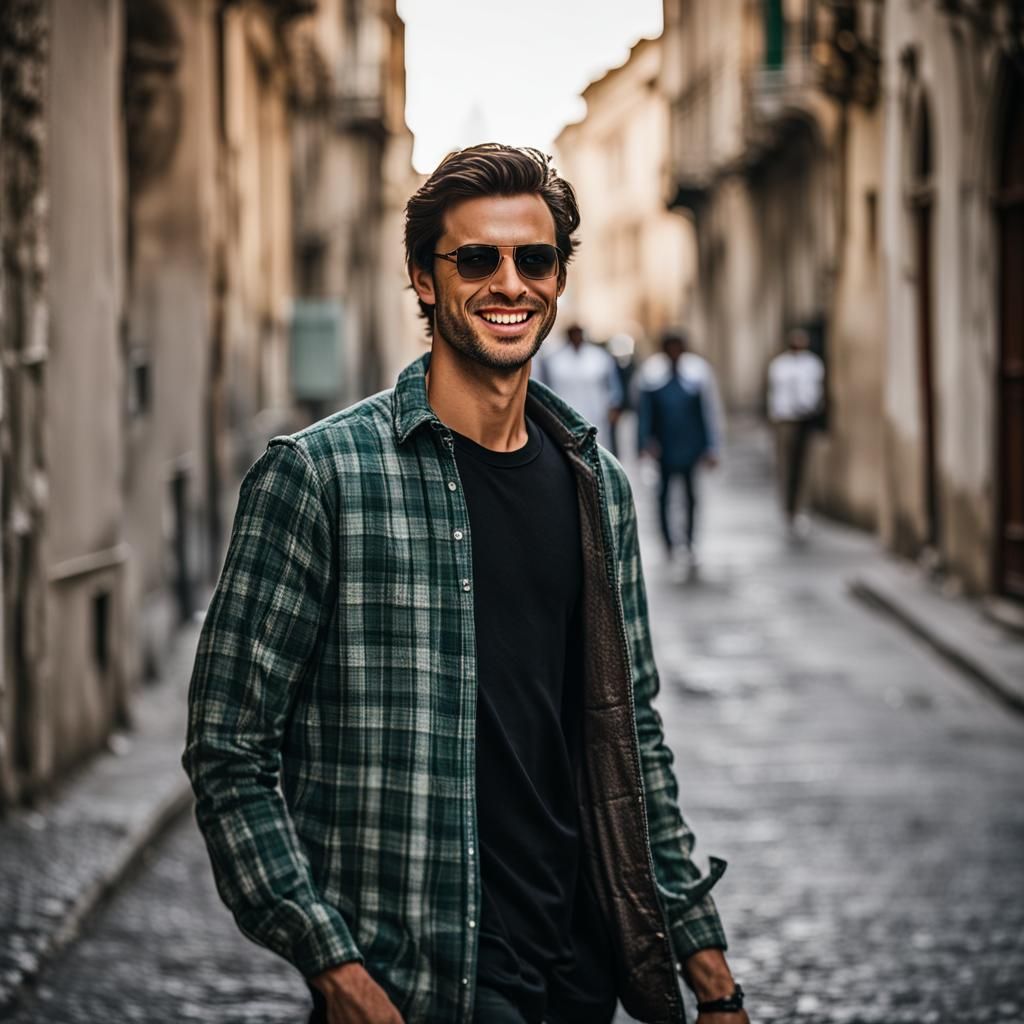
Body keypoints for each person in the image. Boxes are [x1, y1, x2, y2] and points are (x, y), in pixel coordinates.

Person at [183, 144, 747, 1024]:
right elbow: (229, 750)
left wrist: (708, 968)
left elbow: (629, 734)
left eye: (535, 259)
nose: (508, 283)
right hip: (423, 982)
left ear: (560, 279)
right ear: (422, 276)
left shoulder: (599, 488)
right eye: (475, 258)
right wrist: (336, 968)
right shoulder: (320, 477)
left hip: (579, 972)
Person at [637, 330, 722, 573]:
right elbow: (646, 415)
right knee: (663, 496)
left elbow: (709, 413)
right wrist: (644, 444)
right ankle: (668, 543)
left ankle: (690, 540)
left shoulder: (698, 374)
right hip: (664, 448)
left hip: (690, 446)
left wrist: (712, 447)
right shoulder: (652, 375)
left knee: (690, 496)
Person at [767, 327, 825, 537]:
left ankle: (801, 507)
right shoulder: (780, 365)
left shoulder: (812, 364)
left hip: (805, 418)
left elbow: (815, 391)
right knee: (786, 465)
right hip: (786, 419)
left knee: (804, 465)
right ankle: (787, 508)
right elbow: (776, 394)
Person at [537, 323, 623, 453]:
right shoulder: (554, 360)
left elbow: (614, 388)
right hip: (564, 419)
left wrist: (614, 407)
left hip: (597, 418)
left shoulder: (600, 357)